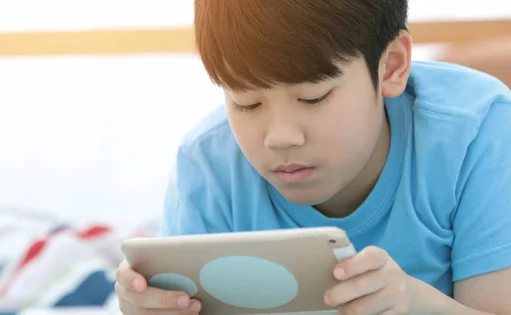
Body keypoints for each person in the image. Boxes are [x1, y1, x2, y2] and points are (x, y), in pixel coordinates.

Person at [116, 0, 511, 314]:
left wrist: (417, 305)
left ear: (391, 66)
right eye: (246, 103)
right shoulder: (207, 165)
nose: (280, 137)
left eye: (313, 98)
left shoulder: (478, 136)